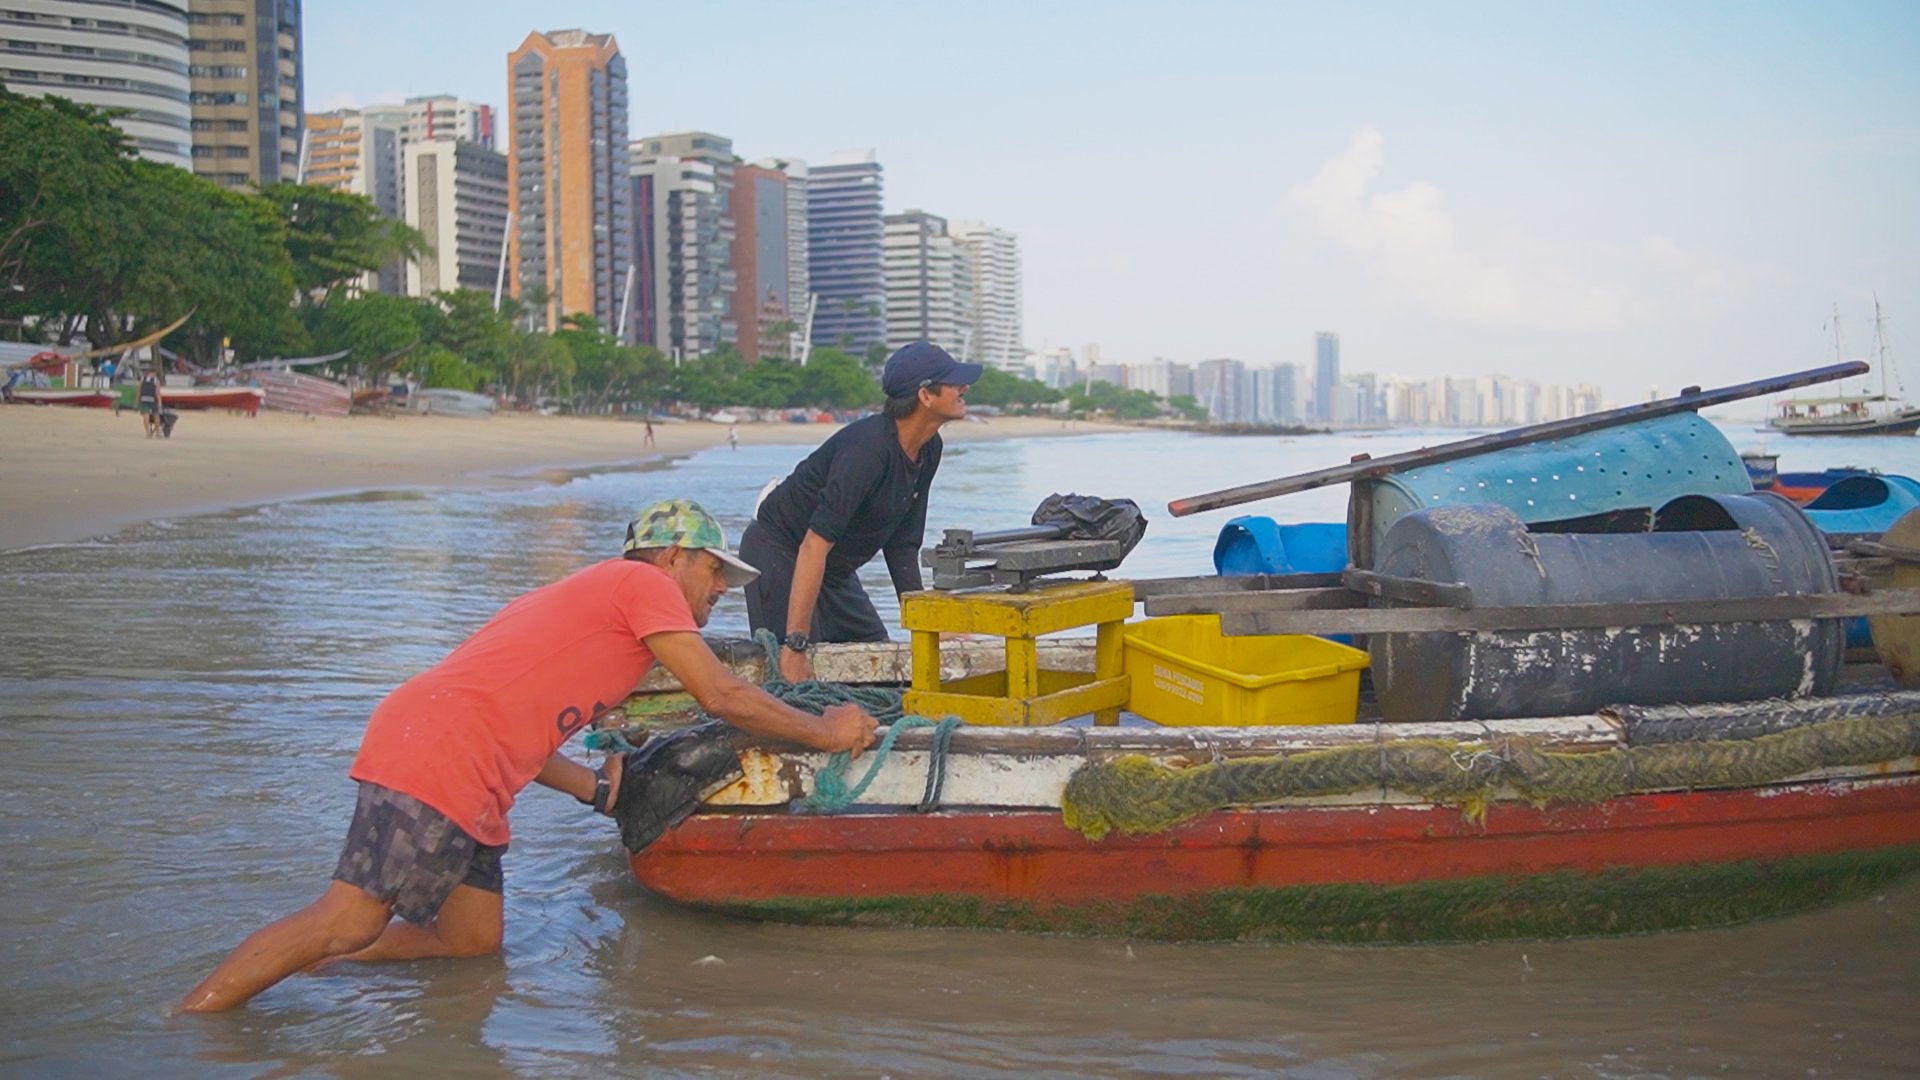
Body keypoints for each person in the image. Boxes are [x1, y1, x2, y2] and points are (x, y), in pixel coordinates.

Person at [177, 499, 878, 1013]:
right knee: (350, 917)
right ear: (669, 557)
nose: (723, 587)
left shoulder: (595, 610)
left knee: (470, 941)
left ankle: (304, 970)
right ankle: (192, 1020)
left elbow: (524, 725)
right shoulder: (639, 586)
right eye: (713, 569)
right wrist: (829, 730)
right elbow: (721, 694)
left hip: (467, 763)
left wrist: (593, 790)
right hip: (439, 753)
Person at [740, 340, 981, 682]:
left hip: (833, 570)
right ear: (925, 395)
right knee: (797, 677)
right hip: (779, 551)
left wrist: (929, 628)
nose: (965, 387)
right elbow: (813, 544)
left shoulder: (929, 449)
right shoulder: (867, 450)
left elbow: (901, 545)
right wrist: (794, 645)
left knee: (878, 666)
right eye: (954, 381)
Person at [137, 367, 162, 437]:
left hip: (144, 399)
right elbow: (157, 392)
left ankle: (148, 433)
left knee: (146, 416)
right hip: (153, 399)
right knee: (156, 416)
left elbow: (139, 390)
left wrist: (137, 400)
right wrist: (160, 402)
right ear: (155, 373)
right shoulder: (156, 380)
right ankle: (157, 433)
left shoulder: (142, 379)